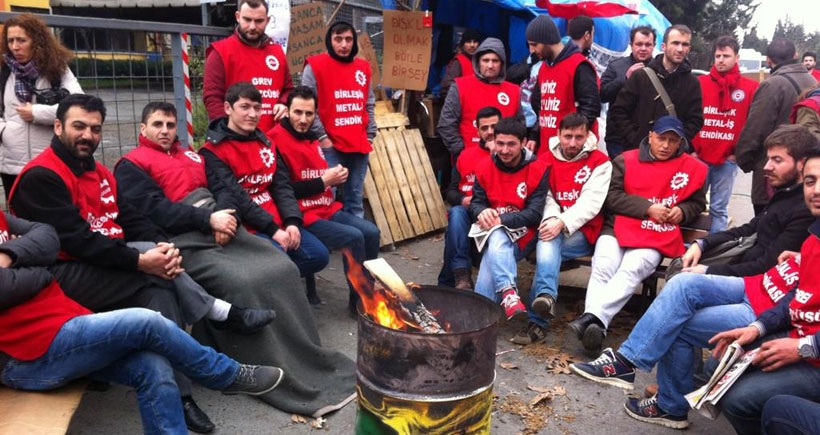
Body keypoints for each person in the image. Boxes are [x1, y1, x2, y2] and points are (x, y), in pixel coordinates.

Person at [7, 94, 272, 433]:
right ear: (57, 127)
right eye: (79, 127)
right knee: (155, 276)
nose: (88, 135)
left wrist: (162, 247)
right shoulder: (41, 177)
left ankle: (181, 395)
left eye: (95, 129)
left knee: (159, 286)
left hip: (103, 262)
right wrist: (140, 261)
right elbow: (78, 242)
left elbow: (130, 217)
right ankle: (217, 318)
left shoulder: (99, 171)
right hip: (60, 275)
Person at [115, 100, 358, 416]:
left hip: (223, 224)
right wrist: (206, 221)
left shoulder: (192, 155)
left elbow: (226, 187)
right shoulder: (131, 163)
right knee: (242, 280)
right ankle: (257, 363)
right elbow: (154, 210)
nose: (165, 131)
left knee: (282, 266)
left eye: (170, 125)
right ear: (143, 129)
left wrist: (223, 214)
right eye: (157, 124)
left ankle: (306, 355)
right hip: (181, 236)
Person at [0, 212, 285, 434]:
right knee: (145, 321)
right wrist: (37, 268)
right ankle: (224, 374)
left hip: (59, 324)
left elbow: (48, 237)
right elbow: (36, 275)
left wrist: (8, 256)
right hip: (23, 357)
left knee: (154, 366)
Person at [568, 248, 800, 429]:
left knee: (677, 322)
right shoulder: (803, 215)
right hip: (756, 284)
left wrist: (709, 269)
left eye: (814, 183)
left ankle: (668, 404)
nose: (815, 190)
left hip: (765, 312)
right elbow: (748, 233)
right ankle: (626, 362)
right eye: (810, 183)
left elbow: (799, 298)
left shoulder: (803, 211)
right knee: (682, 283)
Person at [567, 116, 707, 356]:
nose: (665, 145)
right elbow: (611, 198)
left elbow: (696, 203)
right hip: (618, 226)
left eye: (672, 141)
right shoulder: (625, 159)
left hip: (657, 233)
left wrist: (682, 211)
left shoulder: (692, 168)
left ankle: (592, 320)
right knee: (604, 266)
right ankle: (597, 326)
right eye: (661, 138)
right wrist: (646, 208)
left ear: (680, 142)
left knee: (633, 268)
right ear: (651, 136)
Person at [707, 150, 820, 433]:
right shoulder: (813, 236)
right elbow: (798, 296)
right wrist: (757, 328)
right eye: (809, 181)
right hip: (799, 335)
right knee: (716, 366)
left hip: (812, 351)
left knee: (740, 398)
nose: (816, 190)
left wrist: (802, 348)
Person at [199, 82, 329, 281]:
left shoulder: (266, 143)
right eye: (245, 107)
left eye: (257, 108)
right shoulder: (212, 152)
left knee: (318, 256)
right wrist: (273, 230)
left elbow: (282, 186)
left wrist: (292, 221)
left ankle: (273, 284)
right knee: (282, 264)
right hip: (250, 228)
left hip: (277, 222)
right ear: (228, 108)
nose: (252, 114)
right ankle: (272, 289)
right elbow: (237, 197)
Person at [269, 86, 380, 314]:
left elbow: (316, 177)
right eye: (298, 112)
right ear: (287, 111)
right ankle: (360, 303)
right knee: (354, 237)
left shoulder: (311, 138)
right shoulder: (275, 140)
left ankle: (367, 289)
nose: (303, 119)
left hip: (325, 208)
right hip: (302, 215)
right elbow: (282, 190)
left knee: (371, 232)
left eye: (309, 114)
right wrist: (324, 181)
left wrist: (335, 177)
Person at [668, 124, 816, 280]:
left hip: (757, 286)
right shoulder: (785, 193)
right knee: (681, 268)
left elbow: (767, 266)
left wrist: (707, 271)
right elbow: (748, 229)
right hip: (743, 268)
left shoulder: (805, 209)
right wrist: (702, 243)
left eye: (777, 160)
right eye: (768, 159)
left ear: (802, 163)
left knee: (683, 282)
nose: (766, 167)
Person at [514, 113, 611, 345]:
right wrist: (553, 220)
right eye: (567, 136)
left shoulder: (600, 161)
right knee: (548, 242)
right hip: (554, 225)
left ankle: (538, 319)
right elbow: (545, 197)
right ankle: (544, 302)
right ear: (558, 135)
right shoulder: (545, 160)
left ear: (588, 135)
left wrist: (562, 222)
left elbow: (591, 203)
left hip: (585, 231)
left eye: (579, 137)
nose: (572, 143)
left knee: (546, 244)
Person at [470, 117, 549, 320]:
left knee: (496, 237)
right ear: (493, 142)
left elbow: (535, 214)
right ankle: (500, 301)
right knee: (494, 246)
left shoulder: (538, 168)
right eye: (500, 143)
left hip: (524, 234)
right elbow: (476, 202)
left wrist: (501, 220)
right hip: (494, 233)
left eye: (511, 144)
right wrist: (481, 212)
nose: (504, 150)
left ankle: (503, 294)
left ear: (523, 143)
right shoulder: (484, 167)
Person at [0, 13, 82, 199]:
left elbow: (78, 106)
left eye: (21, 40)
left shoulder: (57, 69)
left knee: (54, 215)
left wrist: (37, 113)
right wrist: (3, 131)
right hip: (12, 164)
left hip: (50, 160)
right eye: (10, 40)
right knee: (20, 219)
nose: (15, 47)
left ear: (37, 41)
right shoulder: (4, 71)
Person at [303, 21, 376, 219]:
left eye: (348, 40)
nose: (344, 45)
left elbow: (369, 103)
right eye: (338, 39)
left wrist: (370, 135)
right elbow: (307, 107)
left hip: (359, 145)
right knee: (325, 200)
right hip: (329, 146)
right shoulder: (315, 66)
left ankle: (354, 248)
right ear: (330, 40)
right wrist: (323, 138)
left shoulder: (363, 67)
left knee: (354, 201)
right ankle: (325, 246)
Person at [736, 38, 816, 215]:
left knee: (767, 227)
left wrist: (744, 160)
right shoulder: (813, 83)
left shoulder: (771, 85)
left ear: (768, 60)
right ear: (796, 55)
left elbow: (755, 129)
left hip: (773, 174)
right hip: (806, 171)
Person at [692, 36, 759, 233]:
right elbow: (690, 116)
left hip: (727, 159)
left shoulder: (750, 87)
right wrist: (692, 150)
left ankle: (713, 250)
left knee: (718, 209)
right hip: (699, 158)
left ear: (736, 57)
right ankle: (686, 247)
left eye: (726, 56)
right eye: (718, 56)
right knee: (692, 205)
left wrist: (738, 153)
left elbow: (752, 124)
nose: (721, 60)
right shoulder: (700, 83)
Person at [608, 25, 703, 155]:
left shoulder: (693, 83)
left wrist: (678, 143)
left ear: (689, 49)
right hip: (638, 151)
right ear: (663, 46)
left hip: (672, 155)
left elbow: (696, 120)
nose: (680, 49)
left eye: (684, 44)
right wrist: (634, 138)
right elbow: (619, 110)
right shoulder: (641, 76)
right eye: (675, 43)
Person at [203, 0, 291, 133]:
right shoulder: (220, 52)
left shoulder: (277, 52)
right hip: (237, 139)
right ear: (238, 17)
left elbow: (288, 88)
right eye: (247, 19)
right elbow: (212, 97)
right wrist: (227, 132)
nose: (252, 26)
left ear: (267, 20)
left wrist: (283, 103)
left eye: (259, 21)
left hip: (274, 138)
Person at [438, 106, 499, 290]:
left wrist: (495, 155)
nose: (489, 132)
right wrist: (463, 200)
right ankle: (461, 277)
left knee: (453, 235)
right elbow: (451, 191)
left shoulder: (507, 155)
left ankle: (449, 282)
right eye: (484, 128)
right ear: (478, 130)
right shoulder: (466, 155)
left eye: (494, 127)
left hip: (492, 215)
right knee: (456, 213)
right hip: (466, 212)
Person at [526, 14, 601, 156]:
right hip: (548, 150)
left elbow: (590, 109)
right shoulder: (544, 68)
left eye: (534, 44)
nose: (531, 50)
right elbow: (540, 106)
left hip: (572, 152)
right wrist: (535, 134)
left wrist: (572, 142)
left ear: (547, 40)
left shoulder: (579, 65)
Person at [438, 37, 522, 157]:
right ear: (478, 62)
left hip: (505, 161)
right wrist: (462, 152)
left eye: (495, 61)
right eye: (485, 60)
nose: (490, 65)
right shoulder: (460, 86)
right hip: (469, 161)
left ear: (502, 63)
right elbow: (446, 124)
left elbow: (519, 126)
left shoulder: (514, 90)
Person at [600, 26, 656, 158]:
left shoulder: (660, 69)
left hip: (649, 139)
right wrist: (625, 78)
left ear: (654, 46)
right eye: (639, 44)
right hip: (617, 137)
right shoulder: (616, 66)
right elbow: (602, 94)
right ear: (631, 45)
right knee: (620, 177)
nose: (643, 48)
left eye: (648, 44)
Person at [439, 28, 482, 99]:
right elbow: (445, 87)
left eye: (475, 42)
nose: (472, 45)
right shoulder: (458, 62)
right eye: (468, 42)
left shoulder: (481, 61)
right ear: (463, 44)